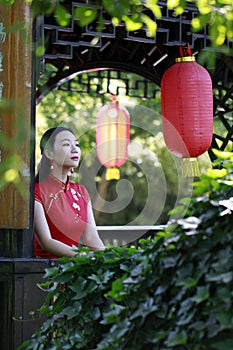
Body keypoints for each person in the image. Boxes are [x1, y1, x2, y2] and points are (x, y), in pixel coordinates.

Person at [34, 126, 105, 258]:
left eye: (76, 145)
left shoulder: (81, 192)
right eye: (66, 144)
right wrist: (85, 257)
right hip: (43, 271)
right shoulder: (36, 192)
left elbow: (92, 238)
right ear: (49, 153)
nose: (75, 149)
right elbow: (46, 242)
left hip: (75, 267)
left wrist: (108, 258)